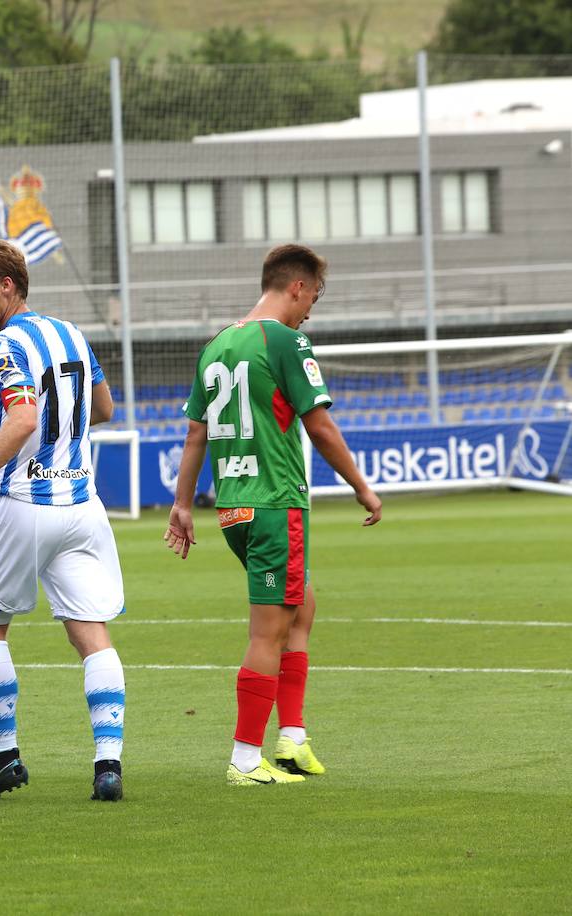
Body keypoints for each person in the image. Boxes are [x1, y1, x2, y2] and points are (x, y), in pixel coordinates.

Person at [164, 244, 382, 787]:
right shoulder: (286, 340)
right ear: (297, 288)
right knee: (268, 632)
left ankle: (293, 738)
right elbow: (321, 427)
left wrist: (183, 504)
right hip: (274, 503)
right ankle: (244, 759)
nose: (311, 309)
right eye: (314, 296)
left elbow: (196, 433)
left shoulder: (216, 345)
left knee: (300, 607)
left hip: (234, 507)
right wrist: (361, 486)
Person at [0, 239, 128, 804]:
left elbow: (22, 417)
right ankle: (107, 766)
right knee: (92, 635)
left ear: (7, 288)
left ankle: (5, 759)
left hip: (23, 504)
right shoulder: (72, 333)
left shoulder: (5, 344)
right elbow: (104, 409)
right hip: (83, 508)